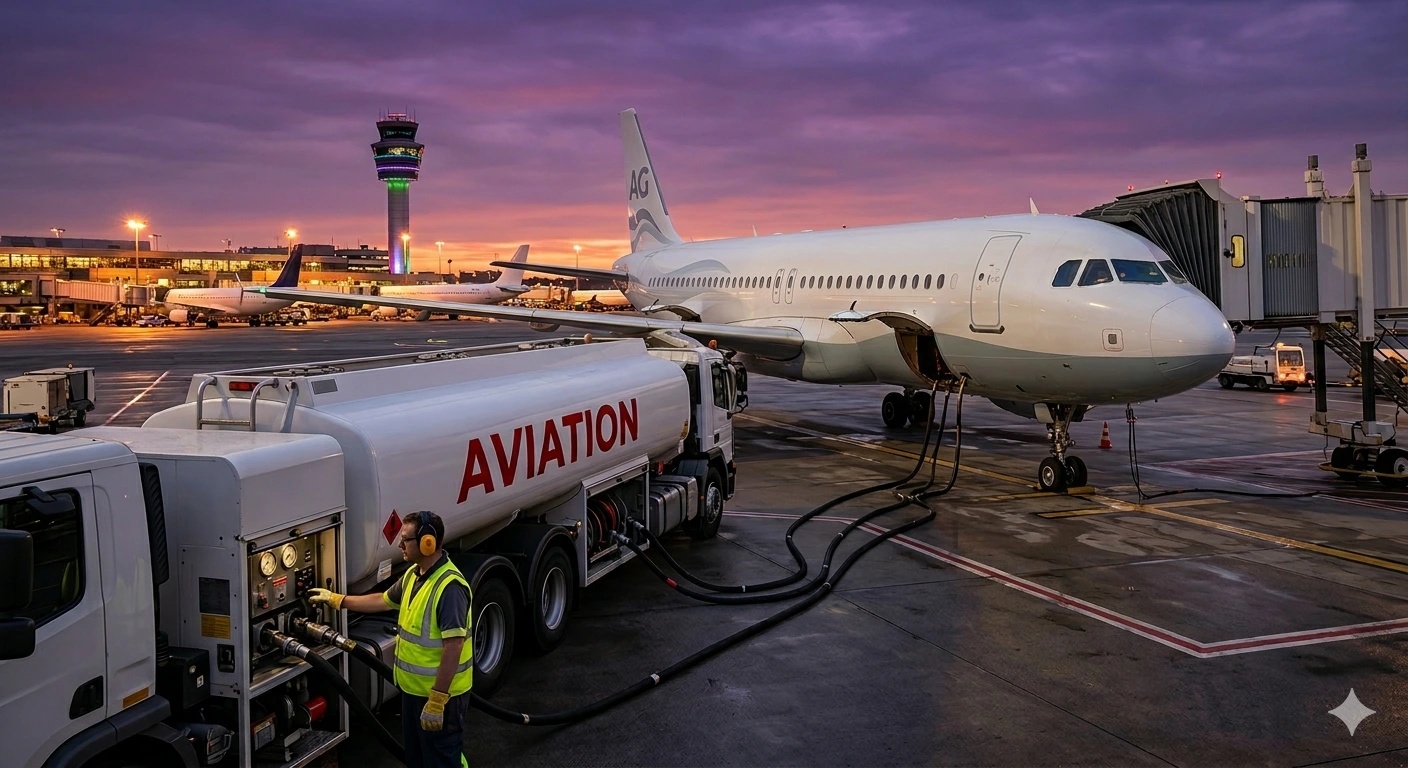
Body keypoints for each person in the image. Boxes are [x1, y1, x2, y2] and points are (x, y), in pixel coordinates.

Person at [310, 511, 473, 768]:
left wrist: (438, 699)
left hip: (441, 699)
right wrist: (338, 600)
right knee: (419, 760)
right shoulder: (414, 575)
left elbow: (453, 646)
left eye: (405, 539)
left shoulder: (449, 587)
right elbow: (383, 600)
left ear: (427, 543)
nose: (399, 545)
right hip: (414, 693)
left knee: (442, 760)